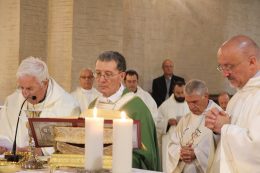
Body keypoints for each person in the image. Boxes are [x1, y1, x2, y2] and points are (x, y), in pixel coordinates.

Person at [89, 51, 160, 171]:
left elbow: (146, 156)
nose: (101, 80)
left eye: (108, 74)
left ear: (122, 76)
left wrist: (111, 160)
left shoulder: (136, 108)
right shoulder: (93, 106)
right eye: (98, 73)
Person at [0, 57, 80, 155]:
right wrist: (6, 147)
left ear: (45, 83)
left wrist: (43, 151)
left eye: (30, 88)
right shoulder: (12, 101)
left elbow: (70, 143)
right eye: (21, 87)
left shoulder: (68, 105)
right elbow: (3, 133)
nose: (24, 93)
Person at [205, 35, 260, 173]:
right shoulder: (236, 97)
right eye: (221, 67)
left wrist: (225, 127)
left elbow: (256, 149)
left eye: (229, 66)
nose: (225, 74)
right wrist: (216, 127)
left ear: (252, 62)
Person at [166, 79, 222, 173]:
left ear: (206, 96)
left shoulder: (219, 116)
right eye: (188, 102)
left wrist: (197, 153)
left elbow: (222, 147)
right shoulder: (185, 119)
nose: (191, 107)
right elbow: (172, 144)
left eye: (195, 102)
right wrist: (180, 153)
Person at [156, 80, 190, 172]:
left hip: (187, 142)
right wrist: (167, 122)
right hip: (169, 142)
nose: (180, 95)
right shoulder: (166, 105)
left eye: (182, 92)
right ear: (173, 92)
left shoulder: (190, 104)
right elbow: (156, 121)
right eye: (177, 93)